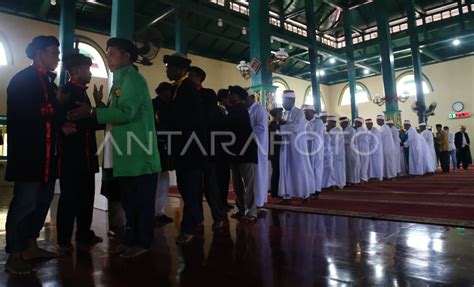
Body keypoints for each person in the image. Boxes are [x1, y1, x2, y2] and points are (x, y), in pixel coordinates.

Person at [68, 38, 161, 258]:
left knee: (142, 205)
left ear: (127, 56)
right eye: (107, 53)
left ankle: (143, 242)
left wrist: (92, 111)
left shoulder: (134, 80)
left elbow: (126, 113)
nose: (108, 57)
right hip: (125, 155)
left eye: (111, 54)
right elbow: (114, 115)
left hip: (139, 156)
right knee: (129, 203)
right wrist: (99, 107)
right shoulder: (119, 82)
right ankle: (130, 240)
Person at [5, 35, 63, 275]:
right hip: (29, 155)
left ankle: (30, 246)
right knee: (24, 203)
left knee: (42, 202)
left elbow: (52, 115)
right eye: (53, 53)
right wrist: (57, 105)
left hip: (49, 156)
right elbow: (26, 114)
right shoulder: (23, 80)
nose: (57, 58)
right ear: (39, 53)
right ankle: (14, 255)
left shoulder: (49, 82)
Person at [56, 53, 102, 254]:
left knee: (86, 198)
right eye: (87, 69)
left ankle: (84, 233)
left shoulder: (83, 94)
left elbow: (95, 124)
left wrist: (98, 104)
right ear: (76, 71)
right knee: (69, 199)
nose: (90, 73)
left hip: (87, 156)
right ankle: (64, 241)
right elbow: (60, 121)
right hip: (71, 158)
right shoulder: (65, 93)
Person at [159, 53, 207, 244]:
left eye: (170, 67)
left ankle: (188, 228)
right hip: (184, 148)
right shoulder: (178, 87)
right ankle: (194, 222)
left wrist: (165, 115)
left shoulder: (187, 88)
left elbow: (188, 119)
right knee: (186, 188)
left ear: (180, 70)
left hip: (190, 149)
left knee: (190, 189)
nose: (167, 70)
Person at [188, 66, 225, 230]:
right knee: (194, 186)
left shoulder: (208, 94)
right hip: (192, 148)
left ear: (199, 78)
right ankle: (198, 218)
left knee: (211, 186)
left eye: (192, 76)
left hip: (208, 148)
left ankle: (217, 217)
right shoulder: (186, 94)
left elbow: (208, 120)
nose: (189, 78)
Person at [220, 86, 258, 222]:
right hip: (236, 152)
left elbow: (227, 126)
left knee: (249, 184)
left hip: (246, 152)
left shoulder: (239, 110)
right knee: (237, 184)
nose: (229, 96)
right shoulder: (233, 110)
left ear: (238, 97)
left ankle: (252, 212)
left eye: (231, 94)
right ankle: (241, 209)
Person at [277, 90, 315, 204]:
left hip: (297, 146)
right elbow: (284, 126)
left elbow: (295, 127)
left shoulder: (299, 113)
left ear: (292, 100)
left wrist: (281, 127)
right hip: (286, 145)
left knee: (300, 169)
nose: (283, 103)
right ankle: (287, 196)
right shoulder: (285, 113)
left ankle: (306, 194)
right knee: (286, 168)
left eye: (284, 100)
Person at [152, 82, 174, 225]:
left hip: (166, 143)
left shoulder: (169, 105)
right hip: (156, 143)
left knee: (164, 176)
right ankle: (154, 212)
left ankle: (159, 211)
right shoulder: (154, 104)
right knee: (156, 177)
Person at [245, 89, 269, 208]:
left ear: (252, 98)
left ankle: (259, 202)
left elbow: (261, 128)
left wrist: (245, 132)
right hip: (250, 146)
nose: (244, 101)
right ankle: (252, 202)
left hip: (258, 146)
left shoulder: (259, 109)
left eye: (245, 98)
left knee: (258, 174)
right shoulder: (247, 109)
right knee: (251, 176)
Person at [215, 89, 231, 210]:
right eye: (228, 98)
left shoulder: (226, 111)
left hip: (226, 149)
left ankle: (224, 201)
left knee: (225, 177)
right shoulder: (218, 111)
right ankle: (220, 203)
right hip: (220, 149)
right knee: (221, 177)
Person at [304, 105, 325, 197]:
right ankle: (311, 188)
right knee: (310, 169)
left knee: (317, 169)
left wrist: (302, 137)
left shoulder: (318, 122)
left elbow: (316, 135)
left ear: (312, 112)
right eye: (305, 113)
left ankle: (317, 190)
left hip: (316, 149)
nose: (305, 114)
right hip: (308, 149)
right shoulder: (306, 123)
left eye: (307, 112)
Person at [340, 117, 360, 185]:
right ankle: (348, 180)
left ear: (346, 123)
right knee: (347, 166)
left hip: (352, 150)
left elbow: (351, 140)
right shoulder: (342, 130)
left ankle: (354, 181)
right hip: (345, 150)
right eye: (340, 123)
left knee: (353, 165)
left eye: (342, 123)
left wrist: (340, 141)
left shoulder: (351, 130)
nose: (341, 125)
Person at [376, 115, 397, 180]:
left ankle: (392, 176)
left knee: (389, 162)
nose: (377, 122)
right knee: (385, 162)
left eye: (378, 120)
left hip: (388, 148)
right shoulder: (381, 127)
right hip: (384, 148)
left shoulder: (385, 128)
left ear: (382, 120)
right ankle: (386, 175)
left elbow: (379, 137)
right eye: (377, 120)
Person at [269, 107, 283, 199]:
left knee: (279, 171)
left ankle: (279, 191)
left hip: (280, 150)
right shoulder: (272, 125)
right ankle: (274, 193)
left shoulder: (280, 123)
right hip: (275, 151)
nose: (282, 115)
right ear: (277, 114)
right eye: (280, 113)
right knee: (276, 171)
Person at [328, 116, 345, 189]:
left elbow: (333, 142)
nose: (327, 124)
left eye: (328, 122)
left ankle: (339, 184)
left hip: (337, 154)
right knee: (334, 169)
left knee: (338, 170)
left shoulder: (337, 130)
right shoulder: (333, 130)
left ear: (333, 123)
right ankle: (333, 183)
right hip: (333, 153)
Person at [354, 117, 370, 183]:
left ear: (359, 123)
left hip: (362, 149)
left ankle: (363, 178)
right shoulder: (362, 129)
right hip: (364, 149)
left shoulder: (360, 130)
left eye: (355, 123)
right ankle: (364, 177)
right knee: (364, 163)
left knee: (362, 163)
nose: (354, 124)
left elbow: (356, 140)